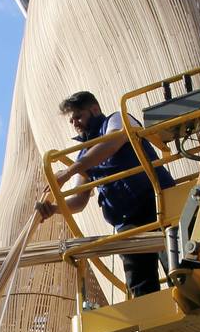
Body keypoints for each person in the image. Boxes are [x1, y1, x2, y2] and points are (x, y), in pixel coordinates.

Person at [36, 91, 176, 297]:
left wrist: (67, 172)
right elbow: (79, 201)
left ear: (94, 109)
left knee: (178, 263)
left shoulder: (118, 119)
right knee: (140, 280)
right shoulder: (84, 155)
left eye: (78, 116)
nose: (75, 122)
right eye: (72, 120)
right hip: (129, 221)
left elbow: (112, 143)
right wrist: (54, 209)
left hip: (160, 201)